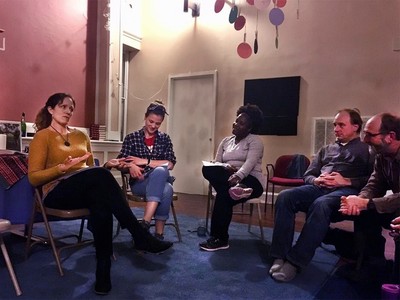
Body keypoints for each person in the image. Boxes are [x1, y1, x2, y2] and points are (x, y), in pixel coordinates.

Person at [28, 93, 173, 295]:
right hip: (56, 191)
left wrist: (108, 164)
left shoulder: (80, 136)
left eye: (71, 108)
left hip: (84, 188)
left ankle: (103, 271)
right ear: (51, 109)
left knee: (101, 201)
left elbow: (88, 168)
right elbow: (33, 178)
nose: (69, 111)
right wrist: (61, 168)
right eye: (63, 107)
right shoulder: (42, 136)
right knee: (100, 184)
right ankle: (140, 235)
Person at [269, 108, 375, 282]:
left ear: (356, 126)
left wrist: (346, 181)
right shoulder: (326, 149)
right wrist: (316, 180)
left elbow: (372, 180)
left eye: (341, 125)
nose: (336, 129)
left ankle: (295, 261)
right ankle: (279, 254)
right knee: (285, 197)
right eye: (335, 125)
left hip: (345, 192)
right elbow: (308, 175)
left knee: (321, 204)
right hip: (320, 188)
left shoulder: (367, 150)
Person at [106, 101, 176, 241]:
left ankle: (154, 232)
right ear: (145, 117)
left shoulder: (165, 139)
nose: (153, 126)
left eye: (158, 123)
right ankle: (148, 229)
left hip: (158, 182)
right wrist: (131, 166)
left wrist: (145, 161)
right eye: (151, 121)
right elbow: (120, 162)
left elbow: (170, 164)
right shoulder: (132, 138)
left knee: (165, 184)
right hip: (140, 183)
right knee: (163, 177)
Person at [199, 103, 265, 251]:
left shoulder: (255, 140)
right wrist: (224, 167)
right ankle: (236, 190)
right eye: (236, 121)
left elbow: (250, 163)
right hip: (228, 179)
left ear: (249, 128)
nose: (236, 124)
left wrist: (238, 175)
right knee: (208, 170)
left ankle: (219, 239)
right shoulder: (226, 141)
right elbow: (217, 163)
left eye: (241, 124)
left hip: (251, 181)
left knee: (223, 196)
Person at [340, 113, 400, 232]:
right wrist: (359, 200)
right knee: (364, 213)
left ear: (391, 136)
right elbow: (375, 184)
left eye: (370, 135)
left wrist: (367, 203)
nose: (364, 140)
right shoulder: (381, 155)